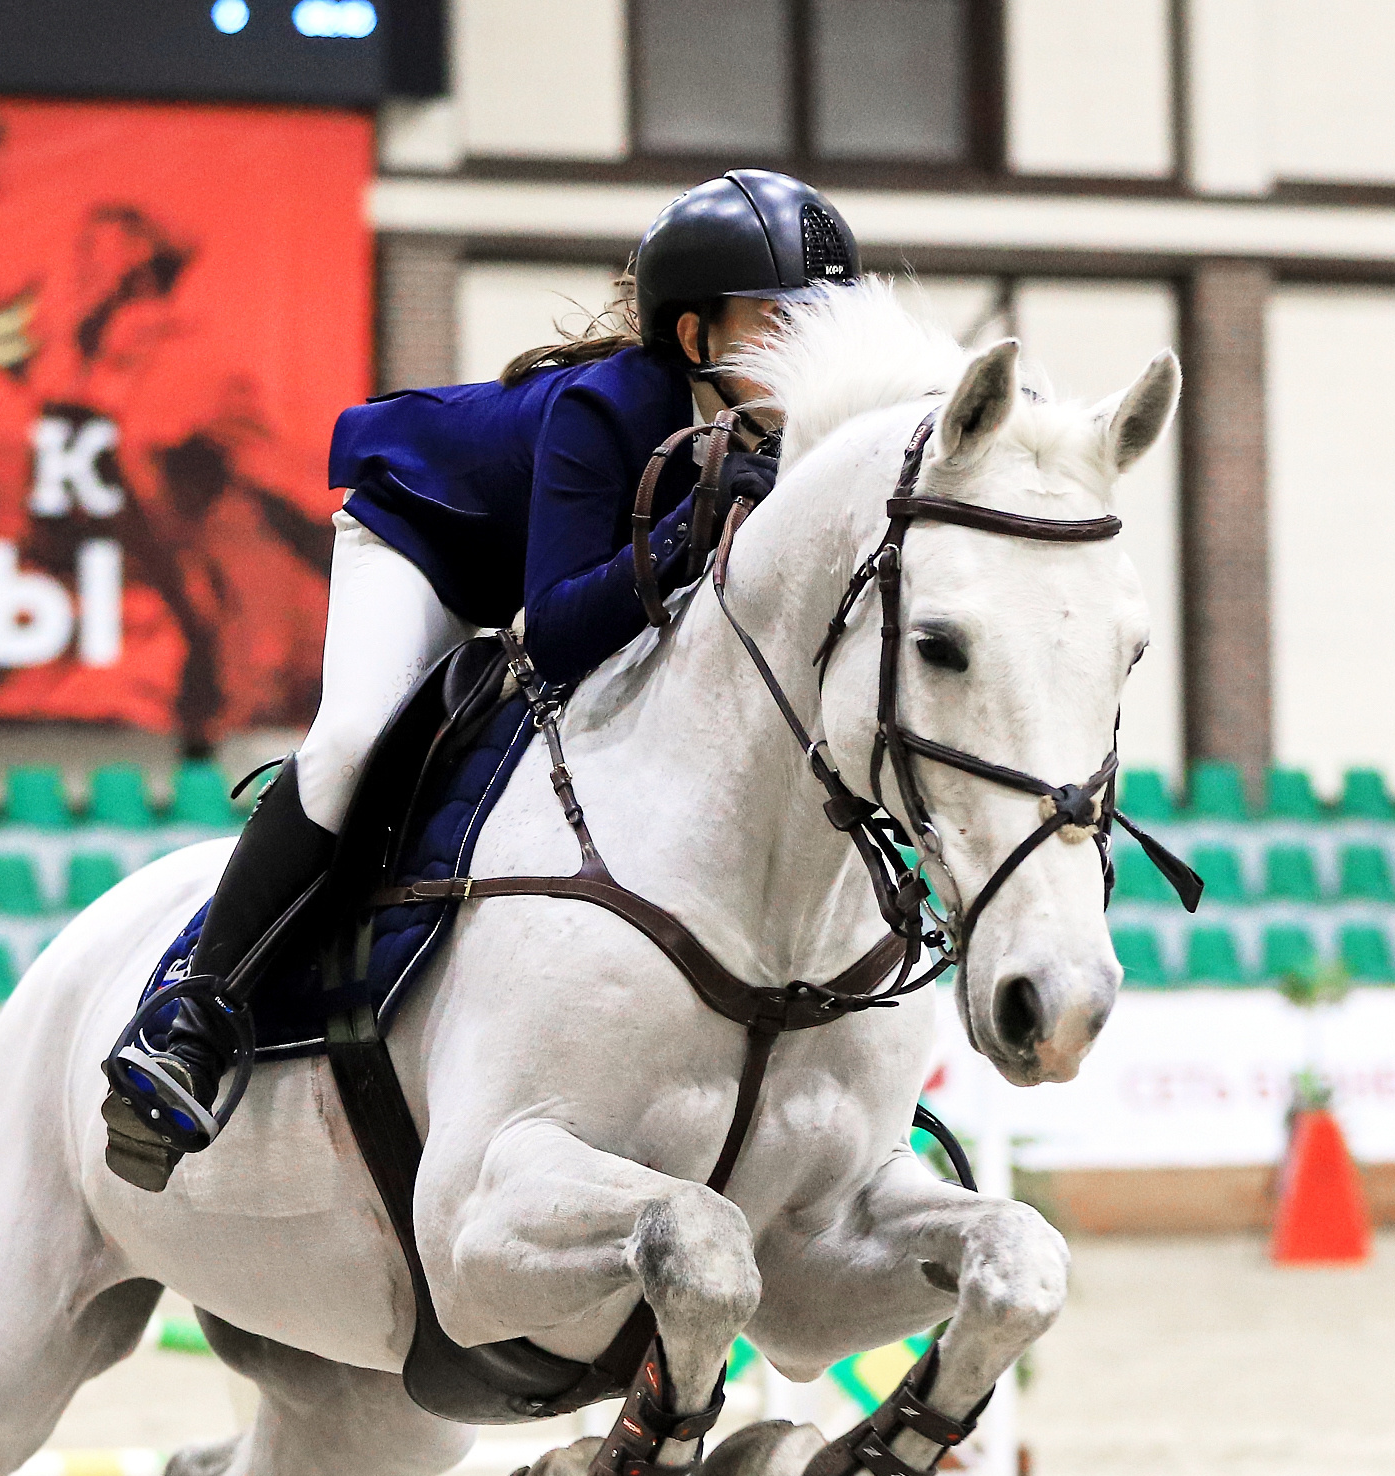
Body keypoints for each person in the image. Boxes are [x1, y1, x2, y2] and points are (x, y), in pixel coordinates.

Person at [101, 170, 860, 1191]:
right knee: (356, 742)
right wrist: (691, 527)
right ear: (694, 340)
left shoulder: (789, 435)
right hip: (425, 543)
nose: (807, 348)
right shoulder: (609, 408)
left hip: (566, 575)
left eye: (821, 322)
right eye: (778, 322)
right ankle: (194, 1011)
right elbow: (547, 638)